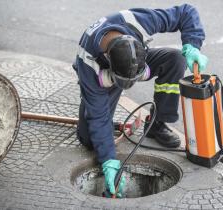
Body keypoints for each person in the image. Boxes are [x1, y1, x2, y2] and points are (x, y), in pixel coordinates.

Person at [73, 4, 208, 197]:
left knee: (175, 59)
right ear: (107, 58)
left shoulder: (137, 22)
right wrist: (109, 161)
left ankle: (156, 124)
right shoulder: (88, 63)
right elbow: (99, 118)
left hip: (127, 67)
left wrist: (192, 45)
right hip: (102, 79)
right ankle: (89, 102)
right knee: (90, 139)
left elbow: (186, 11)